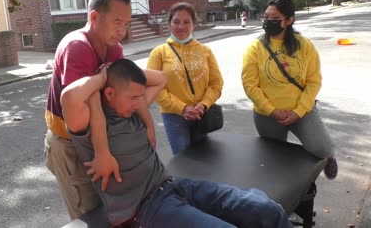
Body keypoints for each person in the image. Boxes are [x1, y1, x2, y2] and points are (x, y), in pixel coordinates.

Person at [61, 58, 293, 228]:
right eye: (133, 97)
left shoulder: (132, 110)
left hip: (172, 185)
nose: (139, 102)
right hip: (144, 209)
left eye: (139, 97)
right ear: (109, 94)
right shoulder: (90, 123)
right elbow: (69, 97)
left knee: (264, 208)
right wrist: (101, 77)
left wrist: (113, 69)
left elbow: (161, 78)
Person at [44, 0, 156, 220]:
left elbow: (129, 89)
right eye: (117, 22)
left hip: (98, 135)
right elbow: (86, 102)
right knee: (88, 212)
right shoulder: (77, 47)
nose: (122, 30)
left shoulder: (114, 49)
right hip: (71, 144)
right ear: (94, 17)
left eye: (126, 24)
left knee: (111, 208)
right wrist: (103, 152)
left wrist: (149, 126)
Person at [241, 0, 338, 180]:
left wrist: (299, 111)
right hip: (267, 114)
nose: (268, 21)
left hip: (301, 110)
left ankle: (330, 157)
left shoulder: (304, 45)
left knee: (322, 148)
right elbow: (250, 85)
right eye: (266, 17)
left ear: (289, 20)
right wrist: (271, 111)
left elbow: (313, 80)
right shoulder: (255, 47)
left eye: (274, 18)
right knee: (275, 159)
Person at [147, 2, 224, 155]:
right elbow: (153, 87)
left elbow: (216, 84)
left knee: (203, 157)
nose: (181, 26)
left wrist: (203, 105)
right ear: (169, 23)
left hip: (201, 114)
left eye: (186, 22)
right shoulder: (159, 53)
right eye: (176, 22)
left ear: (193, 24)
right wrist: (181, 108)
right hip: (173, 115)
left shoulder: (205, 51)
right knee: (183, 162)